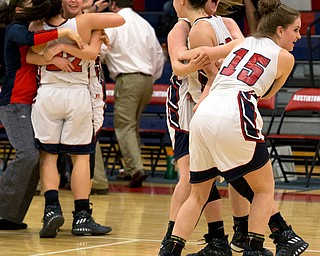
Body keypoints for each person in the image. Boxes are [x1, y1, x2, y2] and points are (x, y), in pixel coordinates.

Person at [159, 0, 309, 255]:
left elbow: (201, 54)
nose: (299, 35)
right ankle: (255, 247)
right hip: (235, 112)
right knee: (262, 189)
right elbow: (266, 94)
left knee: (198, 195)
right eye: (296, 29)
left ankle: (170, 250)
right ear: (280, 30)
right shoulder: (285, 57)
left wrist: (179, 55)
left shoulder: (242, 42)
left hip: (202, 113)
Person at [27, 0, 124, 238]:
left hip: (48, 93)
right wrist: (96, 28)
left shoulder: (36, 24)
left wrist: (55, 50)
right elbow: (120, 20)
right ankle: (81, 216)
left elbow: (30, 55)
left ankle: (51, 209)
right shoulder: (85, 22)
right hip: (78, 95)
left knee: (48, 157)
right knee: (80, 158)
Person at [162, 1, 251, 256]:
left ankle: (235, 234)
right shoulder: (181, 28)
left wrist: (207, 56)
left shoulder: (221, 24)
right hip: (188, 105)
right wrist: (204, 59)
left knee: (215, 174)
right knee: (196, 176)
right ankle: (217, 237)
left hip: (212, 100)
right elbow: (179, 67)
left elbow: (241, 47)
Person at [0, 0, 84, 230]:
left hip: (33, 103)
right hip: (14, 103)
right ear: (18, 9)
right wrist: (63, 31)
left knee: (37, 159)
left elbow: (35, 54)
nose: (34, 6)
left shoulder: (34, 28)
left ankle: (11, 217)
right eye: (29, 3)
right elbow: (29, 43)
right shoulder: (15, 28)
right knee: (27, 155)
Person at [100, 0, 165, 188]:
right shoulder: (144, 23)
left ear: (112, 4)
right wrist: (151, 77)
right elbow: (159, 56)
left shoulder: (114, 21)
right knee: (132, 125)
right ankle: (130, 167)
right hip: (147, 80)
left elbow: (103, 49)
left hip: (128, 78)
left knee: (125, 125)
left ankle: (136, 169)